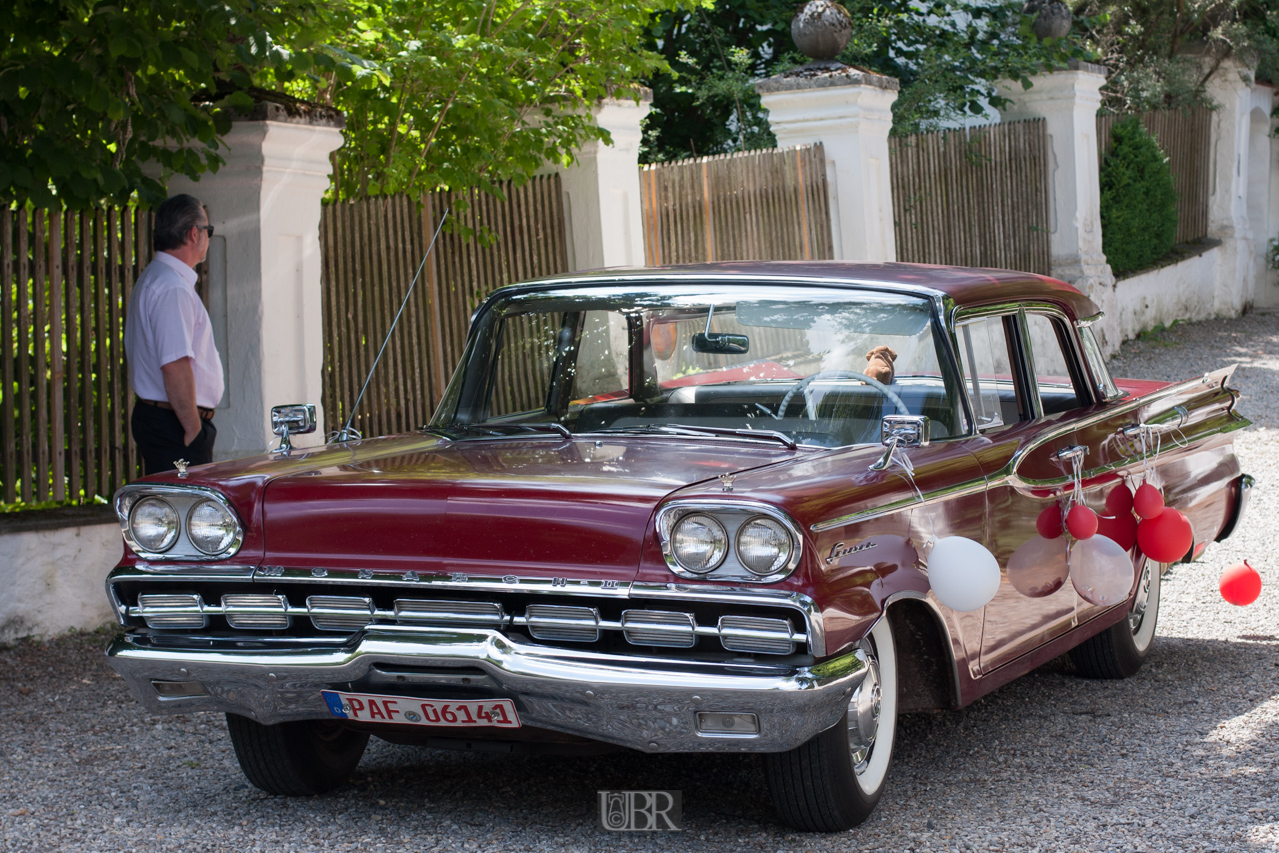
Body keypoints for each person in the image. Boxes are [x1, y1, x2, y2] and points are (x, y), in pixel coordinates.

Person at [125, 194, 225, 475]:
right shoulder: (172, 288)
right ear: (195, 234)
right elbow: (174, 365)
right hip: (176, 425)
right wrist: (194, 430)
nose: (208, 237)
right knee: (187, 514)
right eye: (208, 231)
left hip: (167, 420)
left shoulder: (156, 278)